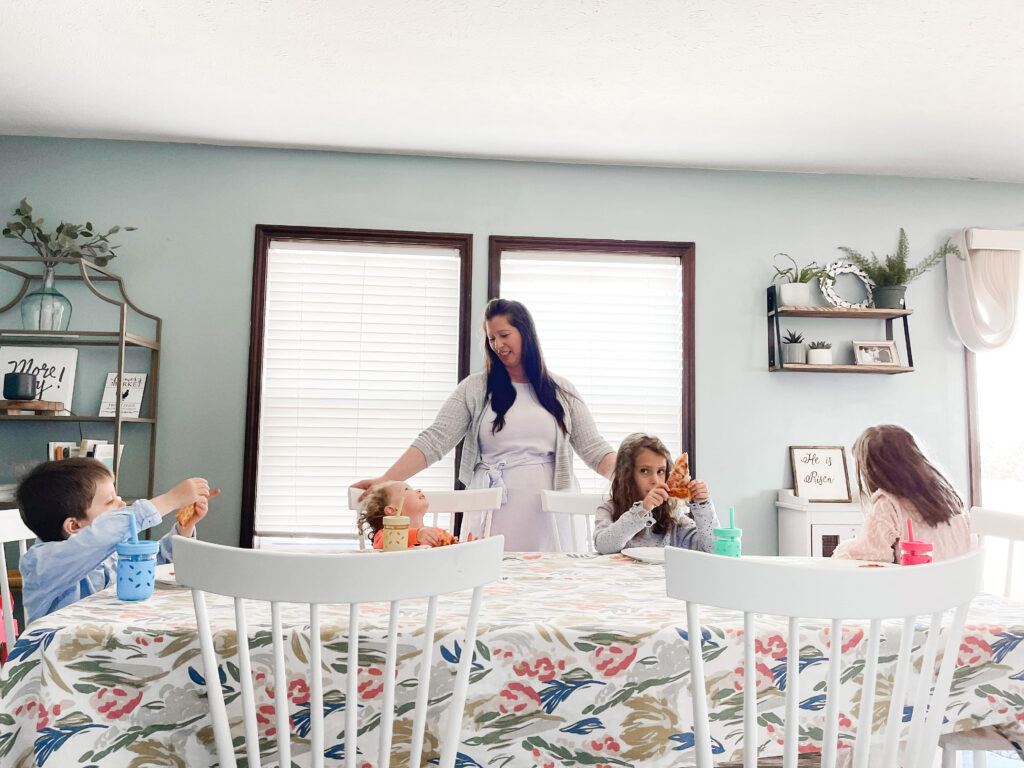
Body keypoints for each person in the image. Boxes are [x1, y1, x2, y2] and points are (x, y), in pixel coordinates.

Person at [353, 298, 616, 551]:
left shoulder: (561, 390)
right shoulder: (476, 388)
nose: (497, 345)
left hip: (549, 509)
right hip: (493, 506)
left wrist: (628, 479)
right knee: (491, 578)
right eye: (491, 338)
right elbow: (436, 439)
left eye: (504, 335)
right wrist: (388, 479)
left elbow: (594, 448)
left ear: (525, 333)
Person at [15, 457, 212, 621]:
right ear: (74, 526)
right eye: (110, 501)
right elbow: (97, 538)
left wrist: (184, 529)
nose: (122, 504)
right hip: (57, 659)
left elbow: (149, 566)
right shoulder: (42, 564)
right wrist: (168, 501)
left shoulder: (109, 553)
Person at [832, 424, 972, 563]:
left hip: (914, 584)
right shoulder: (950, 497)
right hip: (955, 582)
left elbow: (870, 556)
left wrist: (842, 550)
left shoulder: (888, 504)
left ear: (872, 471)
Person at [594, 433, 719, 554]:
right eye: (644, 471)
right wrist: (641, 511)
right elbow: (603, 546)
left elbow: (711, 548)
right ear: (627, 475)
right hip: (621, 575)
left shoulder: (673, 517)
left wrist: (703, 506)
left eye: (660, 471)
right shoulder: (609, 510)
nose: (655, 480)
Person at [358, 481, 455, 548]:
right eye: (407, 489)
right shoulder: (385, 535)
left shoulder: (436, 533)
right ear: (392, 510)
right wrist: (416, 535)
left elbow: (456, 551)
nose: (418, 490)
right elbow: (383, 543)